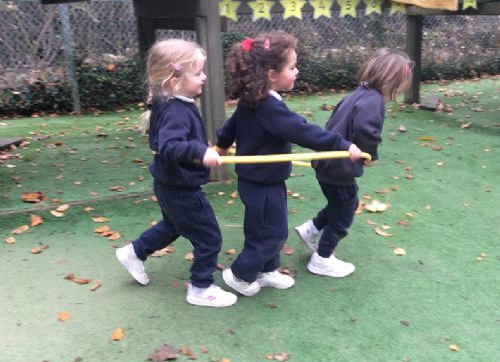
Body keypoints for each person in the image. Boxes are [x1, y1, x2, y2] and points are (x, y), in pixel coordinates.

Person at [215, 31, 362, 297]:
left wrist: (222, 145)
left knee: (263, 228)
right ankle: (240, 274)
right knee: (272, 232)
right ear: (272, 74)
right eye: (292, 67)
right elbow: (303, 131)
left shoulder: (253, 100)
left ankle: (268, 270)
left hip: (263, 179)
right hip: (261, 183)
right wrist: (343, 145)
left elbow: (230, 127)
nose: (297, 71)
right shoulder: (269, 108)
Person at [116, 39, 237, 308]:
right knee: (209, 237)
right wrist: (200, 152)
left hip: (169, 183)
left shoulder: (173, 102)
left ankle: (134, 253)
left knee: (173, 226)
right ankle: (201, 288)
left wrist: (200, 145)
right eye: (198, 73)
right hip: (181, 188)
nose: (204, 77)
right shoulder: (176, 110)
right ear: (174, 81)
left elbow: (175, 139)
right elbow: (171, 145)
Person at [295, 48, 413, 278]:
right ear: (392, 81)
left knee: (342, 202)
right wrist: (369, 154)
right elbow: (366, 130)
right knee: (345, 211)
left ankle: (311, 229)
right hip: (339, 166)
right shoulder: (374, 100)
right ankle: (322, 259)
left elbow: (333, 121)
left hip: (327, 162)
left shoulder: (357, 94)